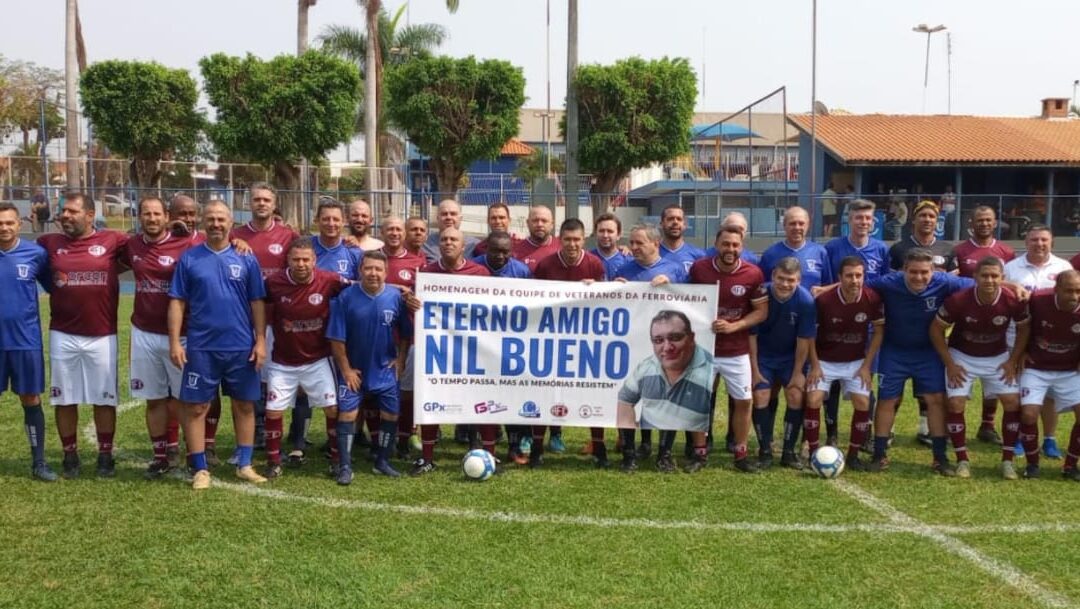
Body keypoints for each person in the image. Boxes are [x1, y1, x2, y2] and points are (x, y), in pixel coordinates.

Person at [168, 200, 267, 490]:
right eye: (210, 218)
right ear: (202, 222)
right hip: (201, 346)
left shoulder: (246, 257)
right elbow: (177, 302)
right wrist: (175, 341)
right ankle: (200, 468)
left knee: (245, 405)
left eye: (221, 219)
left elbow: (257, 302)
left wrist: (260, 340)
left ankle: (245, 464)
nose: (216, 224)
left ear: (231, 222)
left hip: (240, 345)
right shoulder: (190, 258)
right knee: (197, 407)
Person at [37, 192, 128, 478]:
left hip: (102, 334)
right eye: (63, 211)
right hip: (62, 334)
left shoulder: (113, 240)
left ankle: (104, 456)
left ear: (90, 215)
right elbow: (39, 271)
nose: (65, 216)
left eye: (73, 211)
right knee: (64, 398)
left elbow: (147, 248)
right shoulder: (48, 243)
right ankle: (70, 455)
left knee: (104, 398)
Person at [864, 249, 976, 474]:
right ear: (903, 270)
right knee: (888, 400)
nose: (918, 277)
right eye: (913, 272)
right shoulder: (888, 283)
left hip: (929, 352)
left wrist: (1015, 287)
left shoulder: (944, 282)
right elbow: (857, 286)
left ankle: (939, 457)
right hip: (894, 351)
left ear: (933, 271)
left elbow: (981, 283)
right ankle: (879, 454)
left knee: (935, 399)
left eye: (924, 272)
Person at [123, 196, 206, 479]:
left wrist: (238, 243)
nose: (152, 218)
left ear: (166, 216)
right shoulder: (131, 245)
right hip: (144, 331)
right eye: (146, 214)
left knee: (185, 399)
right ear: (140, 217)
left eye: (157, 214)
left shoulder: (188, 243)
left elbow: (217, 245)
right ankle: (162, 455)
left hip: (180, 335)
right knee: (154, 398)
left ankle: (193, 454)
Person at [929, 257, 1028, 479]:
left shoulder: (1012, 300)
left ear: (1002, 278)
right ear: (975, 277)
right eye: (984, 275)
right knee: (955, 403)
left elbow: (1024, 329)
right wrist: (950, 364)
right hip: (962, 356)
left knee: (1012, 402)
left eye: (994, 276)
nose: (989, 280)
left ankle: (1007, 461)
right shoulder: (959, 300)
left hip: (997, 357)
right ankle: (962, 459)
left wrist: (1012, 360)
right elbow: (936, 330)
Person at [263, 238, 350, 481]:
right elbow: (254, 302)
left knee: (332, 409)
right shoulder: (273, 283)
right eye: (296, 259)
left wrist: (400, 291)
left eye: (306, 259)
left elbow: (359, 287)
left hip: (318, 359)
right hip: (283, 361)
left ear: (314, 261)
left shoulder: (329, 280)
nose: (301, 264)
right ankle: (273, 461)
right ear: (288, 261)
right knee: (273, 412)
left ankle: (335, 459)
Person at [227, 182, 299, 459]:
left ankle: (291, 436)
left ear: (274, 203)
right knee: (249, 380)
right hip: (244, 321)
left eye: (266, 199)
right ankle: (253, 434)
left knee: (280, 379)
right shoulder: (235, 235)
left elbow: (305, 259)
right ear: (249, 203)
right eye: (256, 199)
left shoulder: (288, 235)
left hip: (279, 319)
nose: (261, 203)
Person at [411, 227, 492, 476]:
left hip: (474, 349)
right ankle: (427, 458)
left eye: (453, 239)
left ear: (463, 244)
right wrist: (412, 303)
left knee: (483, 401)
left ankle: (490, 455)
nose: (448, 243)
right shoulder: (427, 274)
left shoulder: (480, 273)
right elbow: (418, 308)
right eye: (444, 239)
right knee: (431, 398)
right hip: (438, 349)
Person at [688, 225, 768, 473]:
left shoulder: (753, 274)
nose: (730, 249)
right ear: (716, 243)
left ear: (741, 246)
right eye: (726, 244)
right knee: (699, 401)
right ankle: (699, 454)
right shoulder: (700, 269)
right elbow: (686, 301)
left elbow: (761, 312)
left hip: (737, 350)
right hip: (704, 349)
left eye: (735, 245)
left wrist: (736, 326)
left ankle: (740, 453)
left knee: (744, 401)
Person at [531, 218, 609, 466]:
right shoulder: (546, 265)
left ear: (584, 239)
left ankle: (599, 448)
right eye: (567, 239)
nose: (572, 244)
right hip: (553, 339)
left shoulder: (594, 264)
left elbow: (606, 301)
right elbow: (533, 301)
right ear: (559, 239)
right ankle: (537, 448)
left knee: (593, 393)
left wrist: (596, 290)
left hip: (585, 341)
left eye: (577, 239)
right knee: (545, 394)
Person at [328, 250, 413, 480]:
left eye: (378, 269)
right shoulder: (345, 297)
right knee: (347, 415)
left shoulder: (395, 298)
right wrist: (345, 369)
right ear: (360, 270)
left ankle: (382, 461)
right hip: (354, 370)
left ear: (386, 272)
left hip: (384, 370)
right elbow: (336, 338)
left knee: (391, 415)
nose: (373, 273)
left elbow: (406, 333)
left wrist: (401, 359)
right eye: (368, 268)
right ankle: (344, 467)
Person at [613, 223, 688, 470]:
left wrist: (671, 282)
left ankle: (664, 454)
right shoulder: (624, 269)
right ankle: (629, 454)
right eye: (631, 243)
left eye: (639, 243)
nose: (633, 247)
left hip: (664, 348)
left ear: (655, 244)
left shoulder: (673, 269)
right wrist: (613, 288)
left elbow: (694, 299)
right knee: (629, 398)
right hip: (631, 345)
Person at [804, 256, 884, 471]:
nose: (854, 280)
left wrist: (866, 366)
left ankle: (853, 455)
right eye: (849, 276)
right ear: (840, 278)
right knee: (813, 399)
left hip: (855, 362)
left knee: (862, 403)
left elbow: (878, 332)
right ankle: (813, 453)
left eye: (859, 275)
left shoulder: (872, 298)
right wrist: (815, 365)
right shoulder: (824, 301)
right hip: (824, 361)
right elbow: (810, 334)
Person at [887, 200, 956, 447]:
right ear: (913, 220)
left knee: (929, 386)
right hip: (903, 322)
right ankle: (889, 430)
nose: (927, 220)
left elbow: (955, 279)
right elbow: (891, 280)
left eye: (932, 216)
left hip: (935, 323)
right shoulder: (898, 249)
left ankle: (926, 430)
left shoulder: (948, 248)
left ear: (937, 221)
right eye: (923, 216)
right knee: (893, 388)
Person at [821, 199, 889, 446]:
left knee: (865, 379)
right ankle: (831, 432)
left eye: (868, 218)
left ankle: (866, 434)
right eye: (859, 218)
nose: (864, 222)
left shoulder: (881, 249)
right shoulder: (832, 248)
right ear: (849, 220)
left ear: (874, 222)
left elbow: (883, 285)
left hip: (868, 326)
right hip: (837, 324)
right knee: (834, 382)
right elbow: (829, 285)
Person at [0, 201, 58, 481]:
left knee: (31, 399)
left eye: (9, 222)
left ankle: (39, 462)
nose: (4, 227)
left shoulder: (35, 254)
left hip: (26, 341)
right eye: (0, 223)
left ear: (19, 224)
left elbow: (55, 287)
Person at [1003, 225, 1071, 459]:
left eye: (1044, 240)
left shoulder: (1063, 267)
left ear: (1051, 242)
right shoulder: (1012, 267)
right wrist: (1012, 285)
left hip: (1054, 341)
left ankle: (1050, 439)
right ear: (1026, 242)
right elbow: (998, 285)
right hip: (1017, 337)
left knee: (1050, 393)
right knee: (1024, 391)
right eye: (1034, 240)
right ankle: (1024, 436)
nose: (1039, 244)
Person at [616, 310, 715, 472]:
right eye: (658, 340)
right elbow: (625, 400)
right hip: (651, 419)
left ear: (691, 337)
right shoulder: (646, 368)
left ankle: (665, 455)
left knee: (675, 401)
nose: (667, 347)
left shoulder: (708, 365)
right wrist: (628, 453)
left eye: (675, 338)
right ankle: (630, 457)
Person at [952, 205, 1016, 444]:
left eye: (988, 220)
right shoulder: (960, 250)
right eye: (980, 220)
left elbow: (1007, 282)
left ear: (995, 222)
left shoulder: (1006, 252)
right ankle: (954, 429)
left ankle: (987, 425)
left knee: (993, 384)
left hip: (995, 323)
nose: (984, 224)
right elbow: (952, 280)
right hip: (966, 320)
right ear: (971, 222)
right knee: (958, 388)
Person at [749, 257, 815, 469]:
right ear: (773, 276)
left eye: (791, 280)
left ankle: (788, 451)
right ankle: (765, 450)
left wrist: (797, 372)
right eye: (781, 278)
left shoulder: (805, 301)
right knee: (761, 394)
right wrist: (755, 369)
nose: (785, 284)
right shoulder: (761, 295)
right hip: (764, 357)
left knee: (796, 393)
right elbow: (751, 335)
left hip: (789, 358)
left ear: (799, 280)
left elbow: (804, 339)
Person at [1017, 271, 1080, 480]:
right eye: (1069, 290)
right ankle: (1032, 464)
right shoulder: (1038, 301)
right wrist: (1022, 351)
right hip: (1036, 367)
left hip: (1070, 370)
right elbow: (1022, 327)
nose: (1074, 296)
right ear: (1056, 289)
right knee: (1028, 414)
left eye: (1079, 291)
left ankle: (1070, 466)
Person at [381, 216, 428, 458]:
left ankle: (404, 437)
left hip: (406, 336)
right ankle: (376, 438)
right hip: (377, 336)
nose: (395, 233)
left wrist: (413, 297)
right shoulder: (371, 257)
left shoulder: (418, 262)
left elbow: (426, 298)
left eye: (398, 229)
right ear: (381, 231)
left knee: (407, 389)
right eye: (390, 229)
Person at [759, 206, 830, 289]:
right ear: (784, 225)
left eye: (801, 224)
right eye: (792, 223)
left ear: (808, 226)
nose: (797, 227)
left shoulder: (820, 252)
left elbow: (827, 286)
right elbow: (762, 288)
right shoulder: (770, 254)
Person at [658, 205, 706, 274]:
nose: (675, 222)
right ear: (661, 224)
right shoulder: (652, 253)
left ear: (685, 225)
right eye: (670, 219)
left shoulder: (699, 256)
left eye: (679, 219)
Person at [512, 204, 560, 272]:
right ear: (528, 223)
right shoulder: (515, 251)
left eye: (544, 221)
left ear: (552, 224)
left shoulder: (562, 247)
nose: (539, 224)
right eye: (535, 220)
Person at [591, 212, 630, 280]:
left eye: (610, 231)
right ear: (595, 233)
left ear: (618, 235)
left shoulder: (628, 260)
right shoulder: (588, 259)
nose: (605, 235)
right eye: (601, 231)